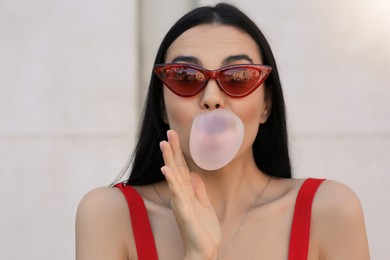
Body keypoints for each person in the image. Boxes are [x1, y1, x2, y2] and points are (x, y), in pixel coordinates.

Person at [76, 3, 370, 260]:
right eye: (186, 77)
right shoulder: (109, 216)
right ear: (162, 106)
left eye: (239, 77)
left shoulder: (331, 211)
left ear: (266, 103)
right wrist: (197, 255)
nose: (212, 97)